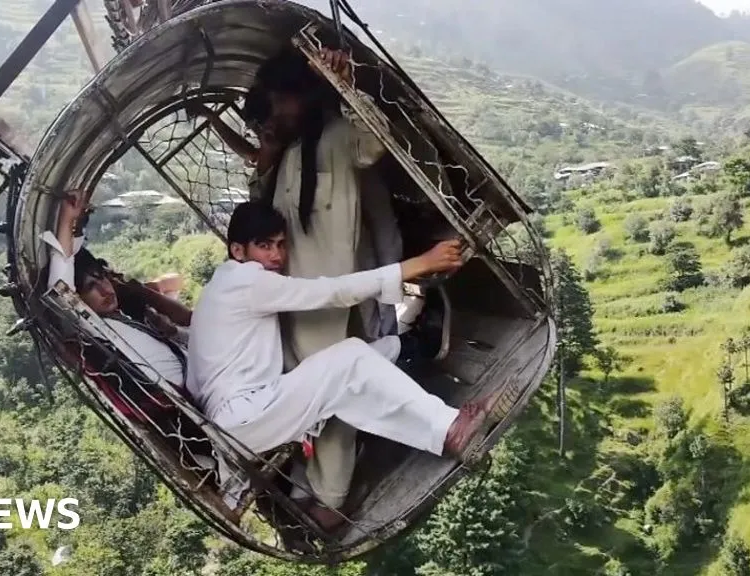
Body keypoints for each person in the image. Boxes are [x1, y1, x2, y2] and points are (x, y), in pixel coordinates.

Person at [185, 201, 496, 529]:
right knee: (349, 359)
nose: (276, 256)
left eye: (280, 245)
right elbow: (330, 292)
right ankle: (449, 428)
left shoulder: (216, 288)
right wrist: (416, 265)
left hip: (238, 418)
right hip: (242, 418)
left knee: (354, 362)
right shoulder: (248, 281)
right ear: (238, 250)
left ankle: (413, 349)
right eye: (263, 246)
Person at [246, 45, 421, 519]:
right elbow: (262, 214)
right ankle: (311, 481)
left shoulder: (339, 138)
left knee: (334, 397)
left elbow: (376, 142)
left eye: (280, 101)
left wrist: (348, 86)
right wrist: (267, 155)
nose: (274, 112)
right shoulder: (287, 155)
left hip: (334, 304)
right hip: (291, 303)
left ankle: (332, 500)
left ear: (304, 96)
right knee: (304, 400)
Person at [43, 189, 191, 386]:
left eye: (102, 278)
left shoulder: (123, 318)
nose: (105, 290)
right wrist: (67, 220)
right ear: (78, 299)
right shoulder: (90, 327)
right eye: (90, 287)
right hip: (189, 388)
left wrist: (76, 226)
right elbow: (61, 290)